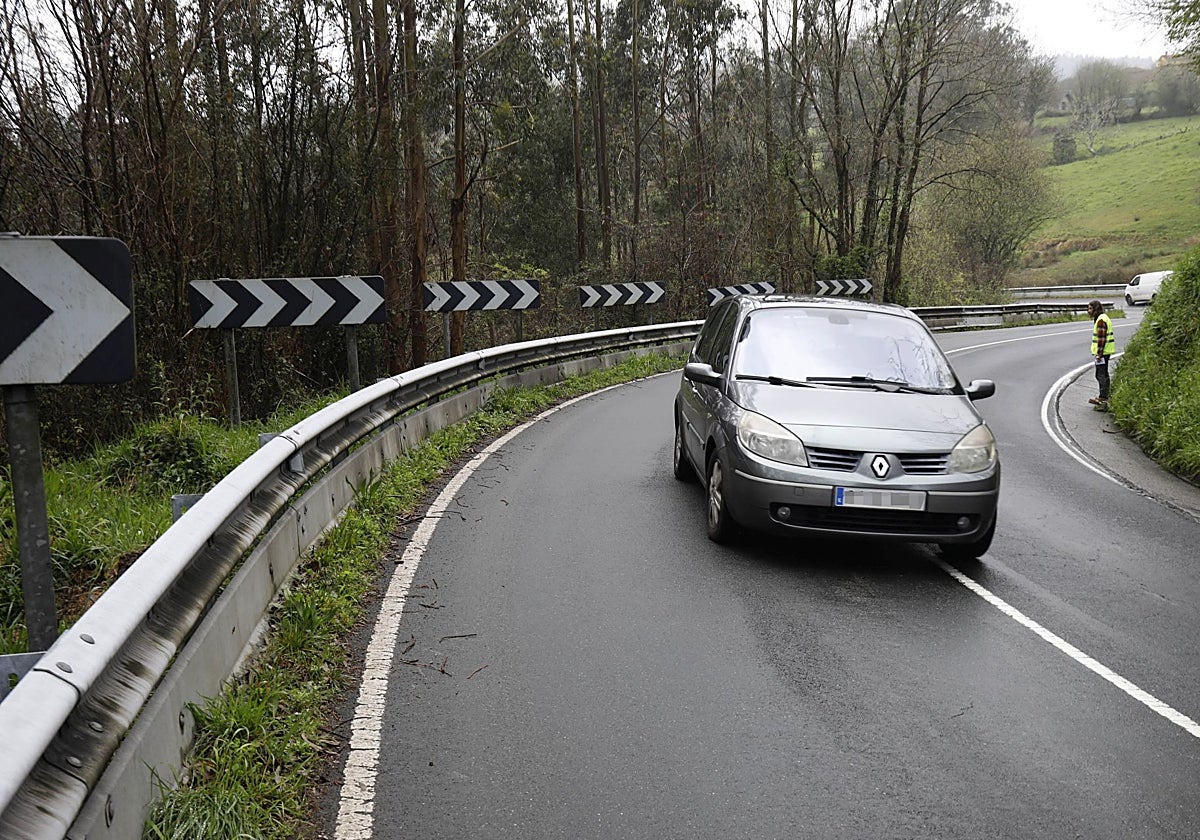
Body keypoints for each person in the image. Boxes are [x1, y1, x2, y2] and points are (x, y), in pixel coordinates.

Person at [1087, 299, 1114, 410]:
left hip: (1103, 353)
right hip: (1105, 352)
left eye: (1090, 308)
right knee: (1103, 374)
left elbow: (1101, 339)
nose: (1088, 311)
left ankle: (1103, 398)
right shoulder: (1103, 318)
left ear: (1095, 309)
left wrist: (1099, 354)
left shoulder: (1101, 320)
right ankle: (1104, 396)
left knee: (1101, 375)